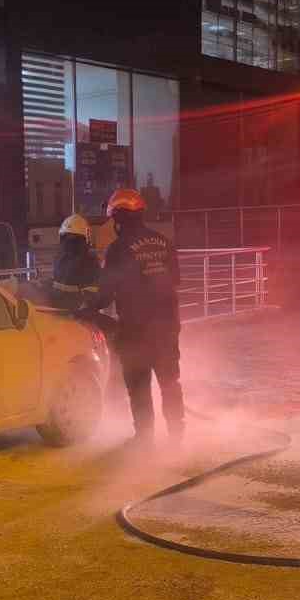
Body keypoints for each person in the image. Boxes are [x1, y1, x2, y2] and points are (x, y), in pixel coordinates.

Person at [94, 187, 185, 443]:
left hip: (136, 331)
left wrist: (87, 308)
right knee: (170, 382)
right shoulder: (164, 242)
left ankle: (144, 438)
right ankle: (177, 435)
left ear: (119, 218)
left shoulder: (118, 249)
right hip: (168, 328)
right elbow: (175, 279)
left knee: (139, 386)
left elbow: (105, 294)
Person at [50, 214, 102, 313]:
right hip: (60, 315)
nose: (69, 243)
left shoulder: (90, 261)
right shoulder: (60, 259)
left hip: (77, 318)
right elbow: (57, 286)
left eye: (74, 239)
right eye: (66, 238)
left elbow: (91, 296)